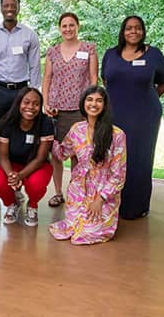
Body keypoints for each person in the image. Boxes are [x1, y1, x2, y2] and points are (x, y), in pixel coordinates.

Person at [101, 15, 164, 219]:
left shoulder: (154, 54)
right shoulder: (110, 54)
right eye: (129, 28)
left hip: (145, 115)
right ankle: (112, 202)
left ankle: (136, 207)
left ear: (143, 31)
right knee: (113, 158)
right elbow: (106, 80)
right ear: (123, 31)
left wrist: (145, 98)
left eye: (138, 28)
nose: (134, 31)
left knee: (139, 159)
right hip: (114, 114)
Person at [0, 0, 42, 202]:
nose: (10, 8)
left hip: (22, 92)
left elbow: (35, 66)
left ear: (18, 8)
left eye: (13, 5)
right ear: (1, 8)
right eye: (6, 5)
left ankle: (17, 185)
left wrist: (35, 96)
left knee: (20, 139)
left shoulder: (29, 35)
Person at [50, 86, 126, 245]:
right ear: (83, 103)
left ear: (105, 105)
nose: (94, 104)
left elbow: (118, 176)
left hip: (103, 192)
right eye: (89, 100)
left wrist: (100, 199)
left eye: (99, 100)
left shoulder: (117, 135)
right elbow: (62, 153)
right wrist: (47, 131)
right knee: (70, 231)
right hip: (78, 189)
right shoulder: (77, 129)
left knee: (85, 234)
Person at [42, 12, 98, 208]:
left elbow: (93, 79)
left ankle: (76, 191)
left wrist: (90, 106)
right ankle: (57, 192)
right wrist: (46, 103)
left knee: (78, 153)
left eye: (71, 25)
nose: (68, 29)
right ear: (60, 28)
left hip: (79, 110)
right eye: (64, 26)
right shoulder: (52, 52)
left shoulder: (89, 49)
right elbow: (47, 78)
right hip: (56, 110)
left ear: (78, 26)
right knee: (57, 154)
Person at [0, 87, 55, 226]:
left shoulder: (45, 122)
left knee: (36, 184)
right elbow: (3, 156)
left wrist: (21, 175)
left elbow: (41, 158)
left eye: (36, 104)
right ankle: (12, 204)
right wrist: (11, 175)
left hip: (36, 165)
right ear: (18, 103)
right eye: (26, 102)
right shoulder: (7, 122)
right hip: (12, 164)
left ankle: (32, 206)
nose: (31, 107)